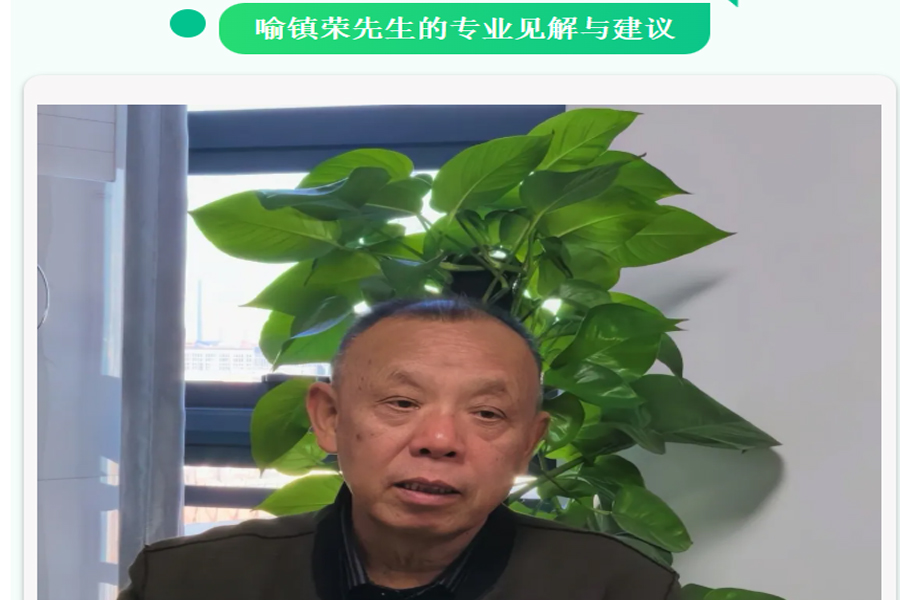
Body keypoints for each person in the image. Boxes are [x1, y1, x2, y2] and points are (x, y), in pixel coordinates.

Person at [117, 296, 681, 600]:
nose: (439, 442)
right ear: (330, 419)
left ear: (529, 443)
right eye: (402, 403)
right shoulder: (186, 583)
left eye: (487, 413)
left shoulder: (621, 589)